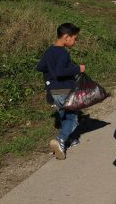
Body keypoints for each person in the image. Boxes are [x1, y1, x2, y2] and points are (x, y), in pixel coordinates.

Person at [36, 23, 86, 160]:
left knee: (64, 116)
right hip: (65, 89)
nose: (75, 42)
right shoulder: (63, 52)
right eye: (74, 39)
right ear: (66, 37)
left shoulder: (49, 51)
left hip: (54, 91)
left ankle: (69, 140)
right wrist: (77, 69)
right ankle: (60, 139)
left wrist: (49, 78)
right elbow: (60, 71)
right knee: (72, 118)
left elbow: (40, 67)